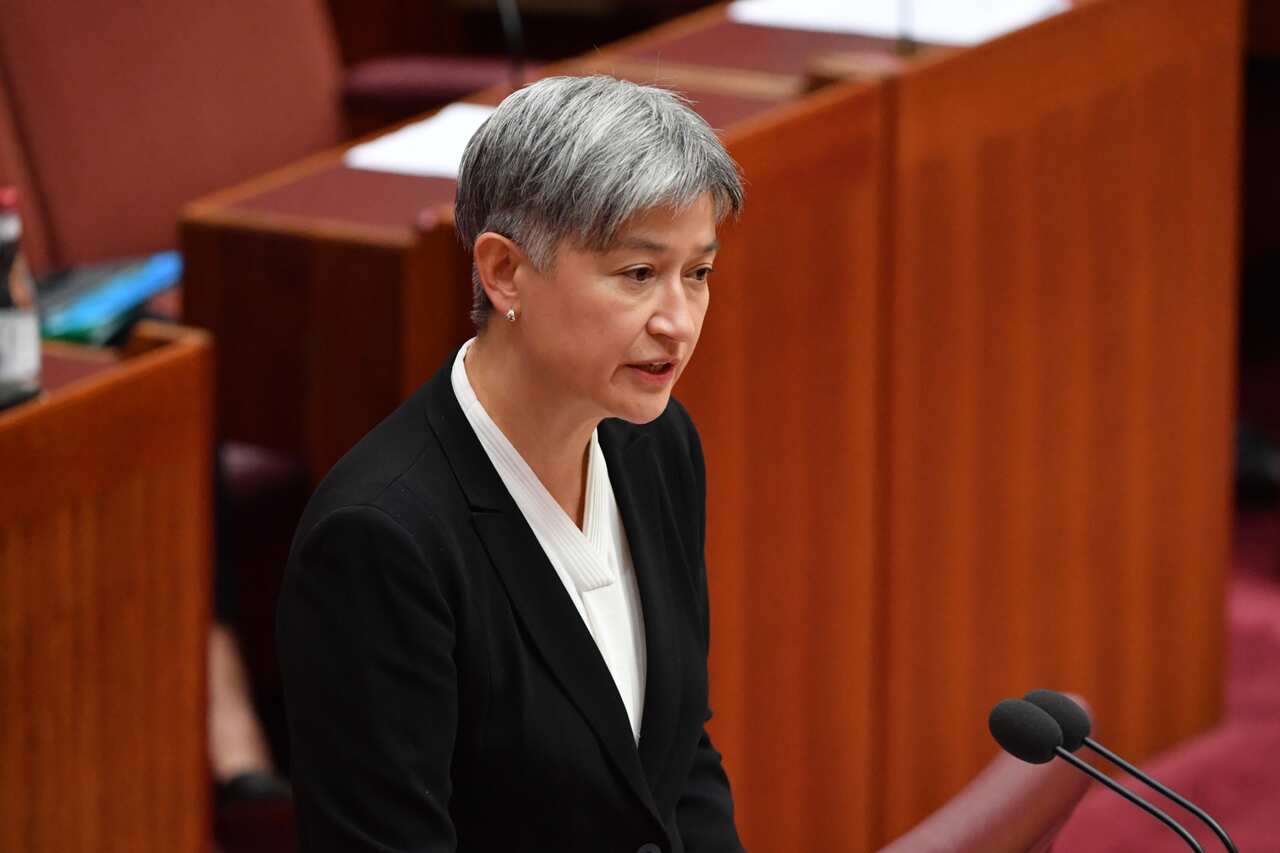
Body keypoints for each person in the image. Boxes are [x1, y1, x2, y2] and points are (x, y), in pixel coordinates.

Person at [277, 74, 746, 852]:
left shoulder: (658, 445)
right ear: (504, 273)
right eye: (638, 274)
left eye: (697, 274)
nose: (679, 321)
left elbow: (677, 759)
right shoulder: (380, 541)